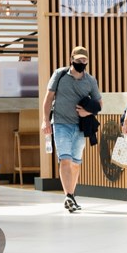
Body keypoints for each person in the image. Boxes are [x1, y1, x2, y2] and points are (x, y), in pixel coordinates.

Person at [41, 47, 102, 214]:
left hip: (81, 126)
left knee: (75, 163)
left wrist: (86, 112)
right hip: (61, 123)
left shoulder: (90, 80)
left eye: (84, 60)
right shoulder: (60, 74)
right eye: (78, 60)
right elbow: (48, 98)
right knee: (65, 159)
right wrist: (45, 120)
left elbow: (99, 104)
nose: (81, 62)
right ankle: (68, 195)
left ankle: (71, 196)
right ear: (71, 59)